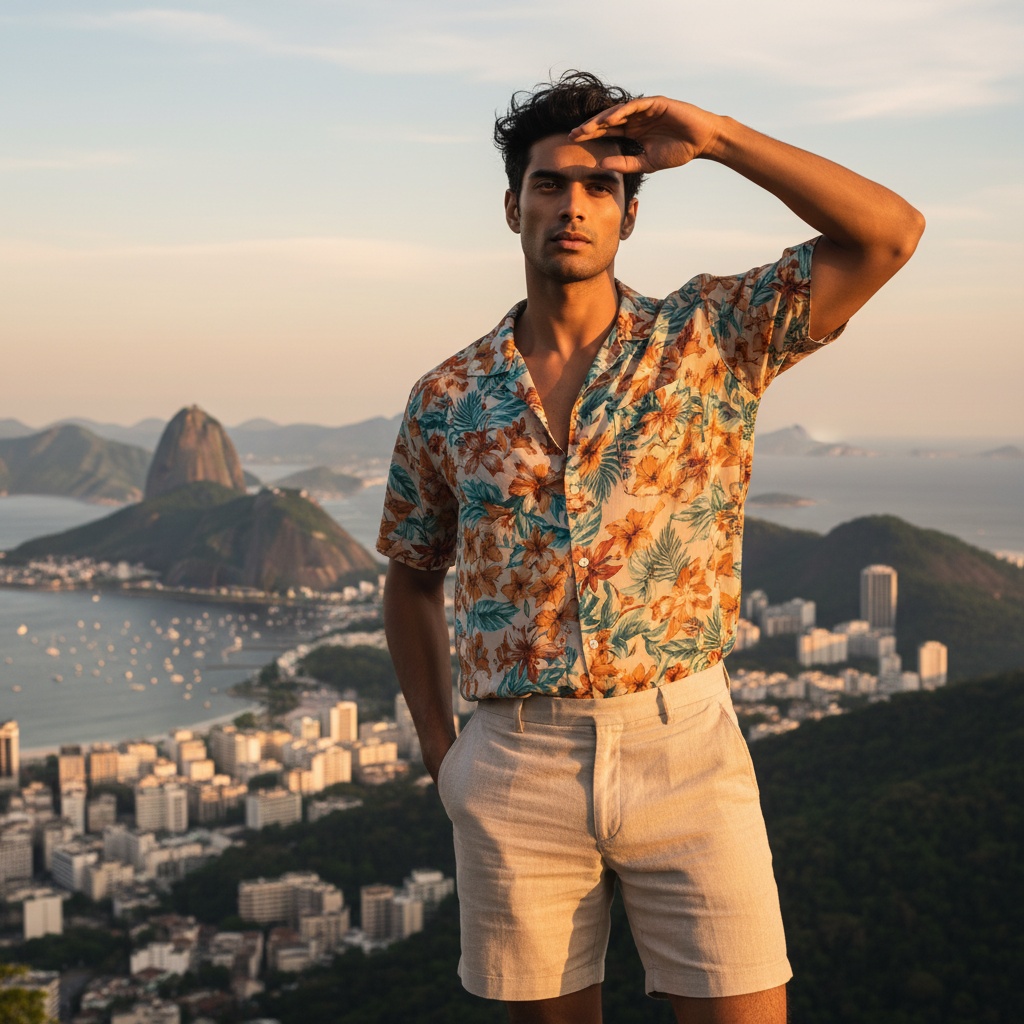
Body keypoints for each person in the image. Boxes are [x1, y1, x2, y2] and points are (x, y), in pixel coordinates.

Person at [377, 71, 924, 1024]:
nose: (572, 206)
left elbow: (888, 234)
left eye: (600, 188)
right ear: (513, 207)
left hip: (687, 751)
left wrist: (714, 137)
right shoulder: (449, 396)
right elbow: (411, 578)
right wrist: (444, 757)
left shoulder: (708, 335)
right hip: (516, 763)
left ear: (630, 217)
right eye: (550, 184)